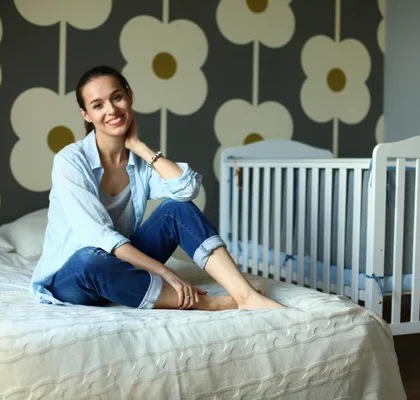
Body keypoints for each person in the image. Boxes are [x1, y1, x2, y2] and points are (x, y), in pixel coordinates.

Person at [30, 65, 283, 311]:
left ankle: (245, 295)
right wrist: (166, 273)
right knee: (90, 258)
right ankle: (210, 303)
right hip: (75, 277)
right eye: (98, 105)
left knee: (176, 209)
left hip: (119, 265)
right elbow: (101, 238)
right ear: (86, 115)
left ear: (130, 97)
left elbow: (187, 189)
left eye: (117, 97)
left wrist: (139, 146)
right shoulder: (70, 161)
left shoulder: (139, 163)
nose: (111, 110)